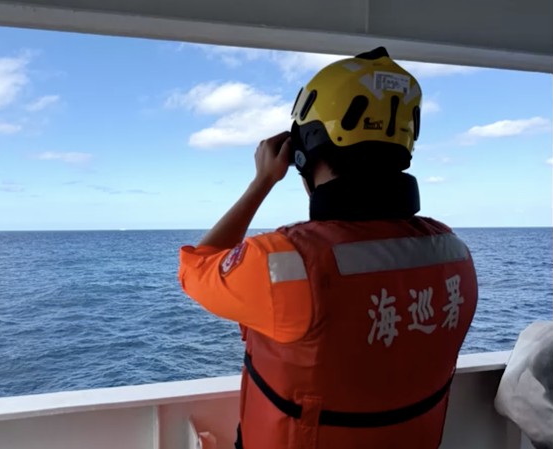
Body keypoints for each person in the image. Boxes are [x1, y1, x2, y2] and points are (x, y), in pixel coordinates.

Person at [178, 47, 479, 449]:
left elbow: (195, 269)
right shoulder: (455, 255)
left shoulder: (287, 262)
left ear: (305, 155)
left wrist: (264, 180)